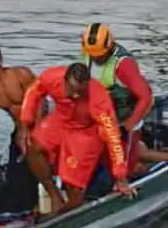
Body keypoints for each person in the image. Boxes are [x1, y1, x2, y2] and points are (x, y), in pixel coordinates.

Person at [18, 63, 134, 213]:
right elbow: (33, 93)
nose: (76, 96)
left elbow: (113, 137)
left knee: (73, 185)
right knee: (33, 145)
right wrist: (26, 122)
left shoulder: (99, 99)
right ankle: (55, 196)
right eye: (72, 90)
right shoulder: (51, 77)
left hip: (85, 130)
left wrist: (120, 175)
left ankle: (67, 213)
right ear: (64, 80)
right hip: (62, 118)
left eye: (80, 92)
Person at [80, 23, 153, 175]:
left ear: (110, 45)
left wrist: (128, 126)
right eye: (93, 55)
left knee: (123, 167)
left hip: (124, 119)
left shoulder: (124, 65)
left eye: (100, 55)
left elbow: (145, 97)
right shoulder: (89, 54)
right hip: (101, 118)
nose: (96, 58)